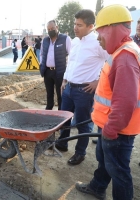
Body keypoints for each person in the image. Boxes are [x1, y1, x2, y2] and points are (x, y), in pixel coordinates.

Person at [75, 5, 140, 200]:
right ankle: (97, 186)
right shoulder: (120, 51)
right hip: (110, 124)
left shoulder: (125, 57)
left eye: (100, 31)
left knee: (119, 171)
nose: (98, 37)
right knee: (104, 160)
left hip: (118, 129)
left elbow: (125, 101)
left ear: (112, 29)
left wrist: (111, 129)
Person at [55, 9, 109, 165]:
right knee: (64, 119)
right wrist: (65, 80)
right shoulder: (75, 41)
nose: (75, 27)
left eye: (79, 25)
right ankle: (62, 143)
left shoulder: (98, 42)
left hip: (84, 91)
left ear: (91, 26)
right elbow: (71, 63)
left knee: (83, 123)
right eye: (75, 24)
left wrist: (98, 81)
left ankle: (80, 153)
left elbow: (111, 63)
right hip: (69, 88)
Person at [40, 20, 71, 110]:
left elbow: (71, 55)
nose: (50, 31)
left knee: (60, 93)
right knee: (49, 93)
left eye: (52, 28)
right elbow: (41, 54)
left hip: (60, 71)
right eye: (48, 29)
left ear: (57, 27)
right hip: (47, 71)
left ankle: (60, 112)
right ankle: (49, 110)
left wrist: (68, 70)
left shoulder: (65, 39)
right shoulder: (45, 40)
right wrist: (42, 64)